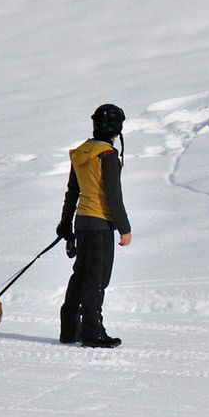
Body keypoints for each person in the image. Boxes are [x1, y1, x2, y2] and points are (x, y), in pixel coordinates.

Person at [56, 103, 132, 348]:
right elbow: (113, 196)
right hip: (100, 225)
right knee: (97, 279)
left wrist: (65, 225)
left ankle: (69, 328)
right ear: (117, 129)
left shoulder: (81, 153)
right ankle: (92, 332)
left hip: (82, 223)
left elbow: (72, 191)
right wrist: (124, 228)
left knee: (80, 275)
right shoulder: (108, 156)